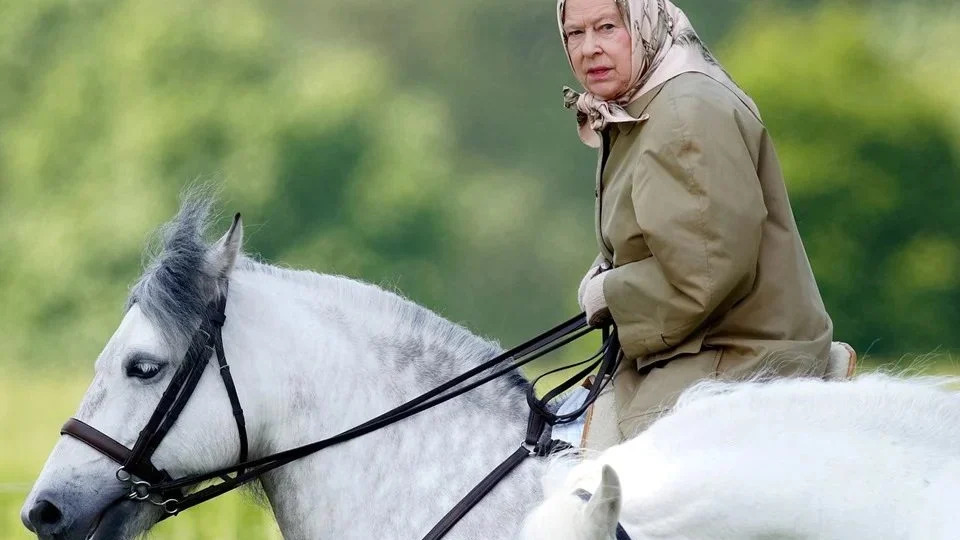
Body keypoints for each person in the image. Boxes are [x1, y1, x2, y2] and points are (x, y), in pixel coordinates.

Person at [560, 0, 834, 441]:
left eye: (607, 27)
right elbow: (671, 229)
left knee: (607, 492)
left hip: (740, 358)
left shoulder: (685, 112)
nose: (589, 48)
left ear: (643, 23)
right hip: (693, 350)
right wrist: (607, 269)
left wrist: (608, 294)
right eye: (575, 33)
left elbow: (703, 272)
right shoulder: (646, 102)